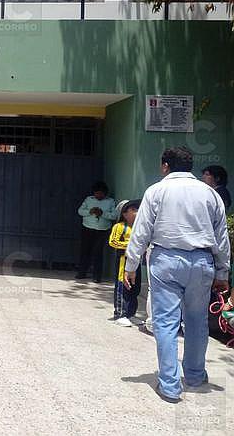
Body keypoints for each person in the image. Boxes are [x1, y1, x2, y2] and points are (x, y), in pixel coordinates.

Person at [124, 147, 231, 402]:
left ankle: (170, 385)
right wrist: (223, 271)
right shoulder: (210, 194)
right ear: (190, 165)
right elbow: (221, 236)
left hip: (166, 260)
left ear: (165, 166)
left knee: (166, 322)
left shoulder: (156, 191)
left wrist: (131, 264)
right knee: (197, 321)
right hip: (203, 261)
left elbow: (141, 230)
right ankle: (194, 375)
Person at [108, 199, 142, 327]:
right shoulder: (120, 227)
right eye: (133, 210)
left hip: (136, 261)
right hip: (124, 260)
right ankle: (120, 314)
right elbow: (113, 242)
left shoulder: (139, 228)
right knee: (123, 286)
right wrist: (130, 246)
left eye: (137, 209)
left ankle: (131, 314)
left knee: (135, 287)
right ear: (124, 213)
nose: (137, 212)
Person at [76, 181, 116, 282]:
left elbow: (114, 216)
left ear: (105, 193)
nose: (98, 195)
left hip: (102, 230)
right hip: (87, 228)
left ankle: (97, 276)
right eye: (96, 193)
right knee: (85, 251)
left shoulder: (110, 201)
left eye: (100, 193)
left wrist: (102, 213)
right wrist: (90, 211)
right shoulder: (89, 200)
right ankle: (82, 272)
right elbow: (80, 211)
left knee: (98, 252)